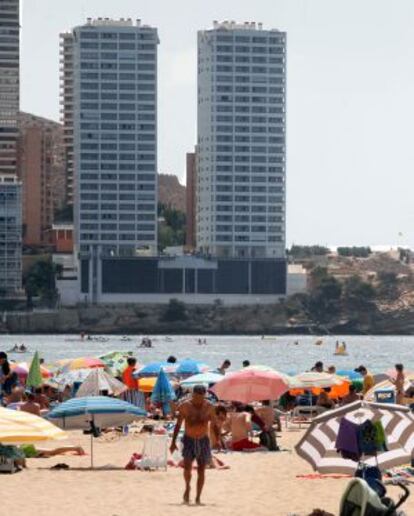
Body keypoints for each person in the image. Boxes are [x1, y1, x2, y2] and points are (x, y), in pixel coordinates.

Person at [170, 385, 219, 505]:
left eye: (202, 396)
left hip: (203, 440)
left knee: (202, 470)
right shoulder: (185, 406)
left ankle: (198, 497)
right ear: (193, 395)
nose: (199, 399)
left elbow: (214, 424)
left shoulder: (209, 407)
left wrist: (217, 440)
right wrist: (173, 442)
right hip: (188, 440)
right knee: (187, 468)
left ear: (204, 395)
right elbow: (178, 425)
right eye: (197, 396)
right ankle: (187, 487)